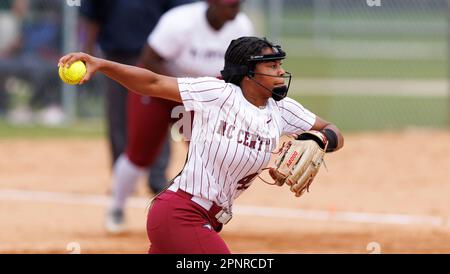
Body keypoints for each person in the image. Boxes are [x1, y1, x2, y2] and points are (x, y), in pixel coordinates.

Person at [59, 36, 344, 254]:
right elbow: (153, 83)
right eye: (272, 65)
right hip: (180, 214)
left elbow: (334, 130)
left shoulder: (281, 110)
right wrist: (102, 64)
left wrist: (320, 139)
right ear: (248, 73)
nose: (281, 71)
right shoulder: (218, 93)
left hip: (204, 220)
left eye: (280, 64)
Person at [106, 0, 254, 234]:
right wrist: (180, 89)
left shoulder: (242, 27)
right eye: (230, 5)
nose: (236, 9)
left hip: (200, 98)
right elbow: (150, 58)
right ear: (212, 3)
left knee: (209, 151)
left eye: (238, 4)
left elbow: (242, 72)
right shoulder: (180, 21)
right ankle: (116, 208)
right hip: (158, 91)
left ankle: (198, 212)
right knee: (140, 154)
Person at [78, 0, 193, 191]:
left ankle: (156, 178)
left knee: (157, 118)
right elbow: (91, 16)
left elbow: (179, 16)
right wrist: (88, 51)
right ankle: (123, 181)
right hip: (116, 58)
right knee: (118, 119)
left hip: (155, 59)